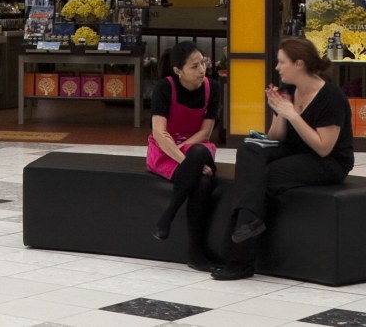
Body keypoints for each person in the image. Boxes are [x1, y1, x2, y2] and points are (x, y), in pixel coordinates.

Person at [205, 38, 353, 280]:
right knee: (248, 150)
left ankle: (240, 259)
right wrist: (280, 113)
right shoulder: (290, 91)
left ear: (299, 64)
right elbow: (276, 137)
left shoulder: (331, 96)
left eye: (282, 62)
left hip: (328, 163)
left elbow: (324, 148)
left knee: (261, 178)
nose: (277, 67)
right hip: (295, 151)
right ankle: (250, 222)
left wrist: (292, 115)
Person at [147, 43, 224, 257]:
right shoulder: (164, 87)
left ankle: (167, 217)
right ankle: (196, 253)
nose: (202, 70)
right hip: (166, 150)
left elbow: (206, 132)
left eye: (203, 63)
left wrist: (191, 159)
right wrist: (187, 161)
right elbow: (160, 133)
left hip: (196, 145)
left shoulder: (213, 87)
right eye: (194, 66)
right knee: (202, 181)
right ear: (178, 71)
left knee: (199, 151)